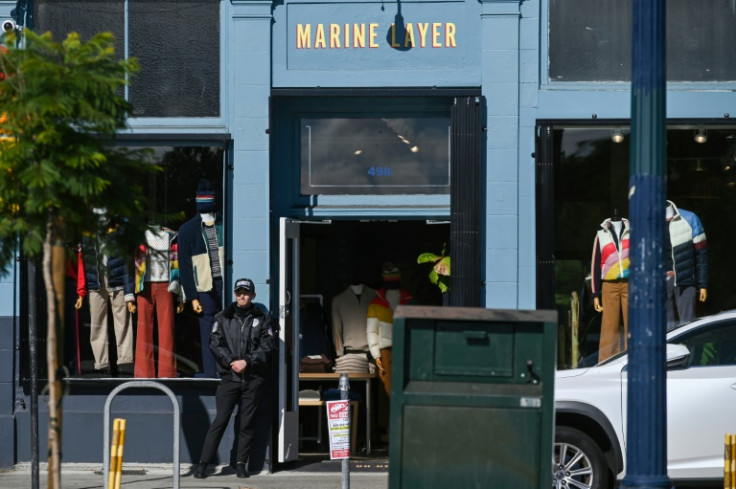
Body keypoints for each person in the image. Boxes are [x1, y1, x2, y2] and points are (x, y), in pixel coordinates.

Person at [193, 278, 274, 479]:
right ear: (234, 294)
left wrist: (246, 361)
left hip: (253, 378)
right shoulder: (222, 317)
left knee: (246, 423)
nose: (242, 296)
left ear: (253, 295)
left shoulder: (262, 318)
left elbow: (267, 346)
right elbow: (215, 343)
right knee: (220, 421)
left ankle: (240, 464)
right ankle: (203, 464)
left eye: (246, 292)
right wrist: (232, 362)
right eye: (238, 292)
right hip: (229, 377)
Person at [75, 207, 136, 376]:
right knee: (97, 322)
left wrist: (129, 290)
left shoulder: (119, 230)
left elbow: (127, 262)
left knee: (122, 321)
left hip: (116, 279)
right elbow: (84, 260)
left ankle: (125, 361)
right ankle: (101, 363)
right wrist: (82, 290)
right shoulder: (87, 233)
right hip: (95, 280)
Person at [178, 179, 225, 377]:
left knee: (228, 328)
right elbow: (184, 266)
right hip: (204, 285)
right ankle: (210, 372)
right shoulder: (188, 230)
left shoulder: (225, 224)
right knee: (207, 330)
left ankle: (225, 370)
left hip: (225, 281)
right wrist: (192, 296)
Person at [133, 223, 184, 378]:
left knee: (167, 329)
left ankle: (167, 373)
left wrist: (181, 294)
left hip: (166, 285)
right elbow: (133, 264)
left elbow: (178, 264)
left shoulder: (172, 236)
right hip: (144, 286)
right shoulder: (139, 236)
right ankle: (144, 373)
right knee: (143, 330)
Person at [366, 263, 413, 396]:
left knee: (406, 387)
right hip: (386, 351)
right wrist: (376, 354)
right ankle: (386, 416)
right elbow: (371, 331)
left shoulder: (408, 300)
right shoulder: (376, 303)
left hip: (406, 348)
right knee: (387, 388)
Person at [590, 212, 630, 363]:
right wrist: (595, 293)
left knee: (631, 324)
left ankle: (631, 360)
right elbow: (595, 264)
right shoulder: (601, 234)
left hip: (630, 283)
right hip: (609, 285)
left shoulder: (632, 232)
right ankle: (607, 362)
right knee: (609, 326)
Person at [665, 200, 708, 329]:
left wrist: (703, 284)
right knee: (665, 328)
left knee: (688, 325)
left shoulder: (690, 218)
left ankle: (690, 350)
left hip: (686, 279)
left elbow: (701, 254)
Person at [331, 281, 376, 373]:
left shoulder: (375, 296)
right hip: (349, 356)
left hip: (373, 355)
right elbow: (336, 330)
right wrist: (340, 355)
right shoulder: (338, 300)